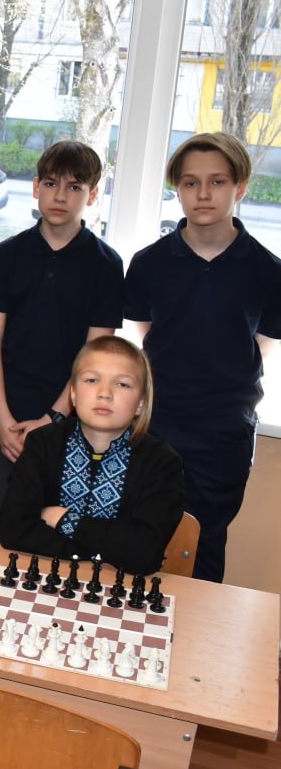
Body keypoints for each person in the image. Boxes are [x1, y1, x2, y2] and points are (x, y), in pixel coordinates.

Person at [124, 132, 281, 582]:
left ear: (240, 187)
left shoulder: (268, 271)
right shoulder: (149, 263)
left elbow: (261, 345)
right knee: (141, 542)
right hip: (158, 425)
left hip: (224, 433)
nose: (204, 193)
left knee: (205, 545)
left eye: (217, 181)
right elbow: (146, 337)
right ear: (178, 189)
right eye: (191, 183)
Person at [0, 141, 122, 539]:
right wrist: (3, 419)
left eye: (75, 187)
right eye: (52, 183)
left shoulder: (106, 265)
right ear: (36, 187)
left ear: (93, 195)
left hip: (66, 422)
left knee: (49, 531)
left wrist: (52, 419)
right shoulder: (7, 254)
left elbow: (94, 359)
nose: (61, 196)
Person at [0, 336, 184, 575]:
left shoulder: (162, 464)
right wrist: (104, 550)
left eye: (122, 384)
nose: (105, 393)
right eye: (92, 380)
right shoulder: (41, 444)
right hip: (46, 578)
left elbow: (144, 553)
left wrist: (65, 519)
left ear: (140, 403)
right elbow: (13, 530)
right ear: (73, 394)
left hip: (119, 589)